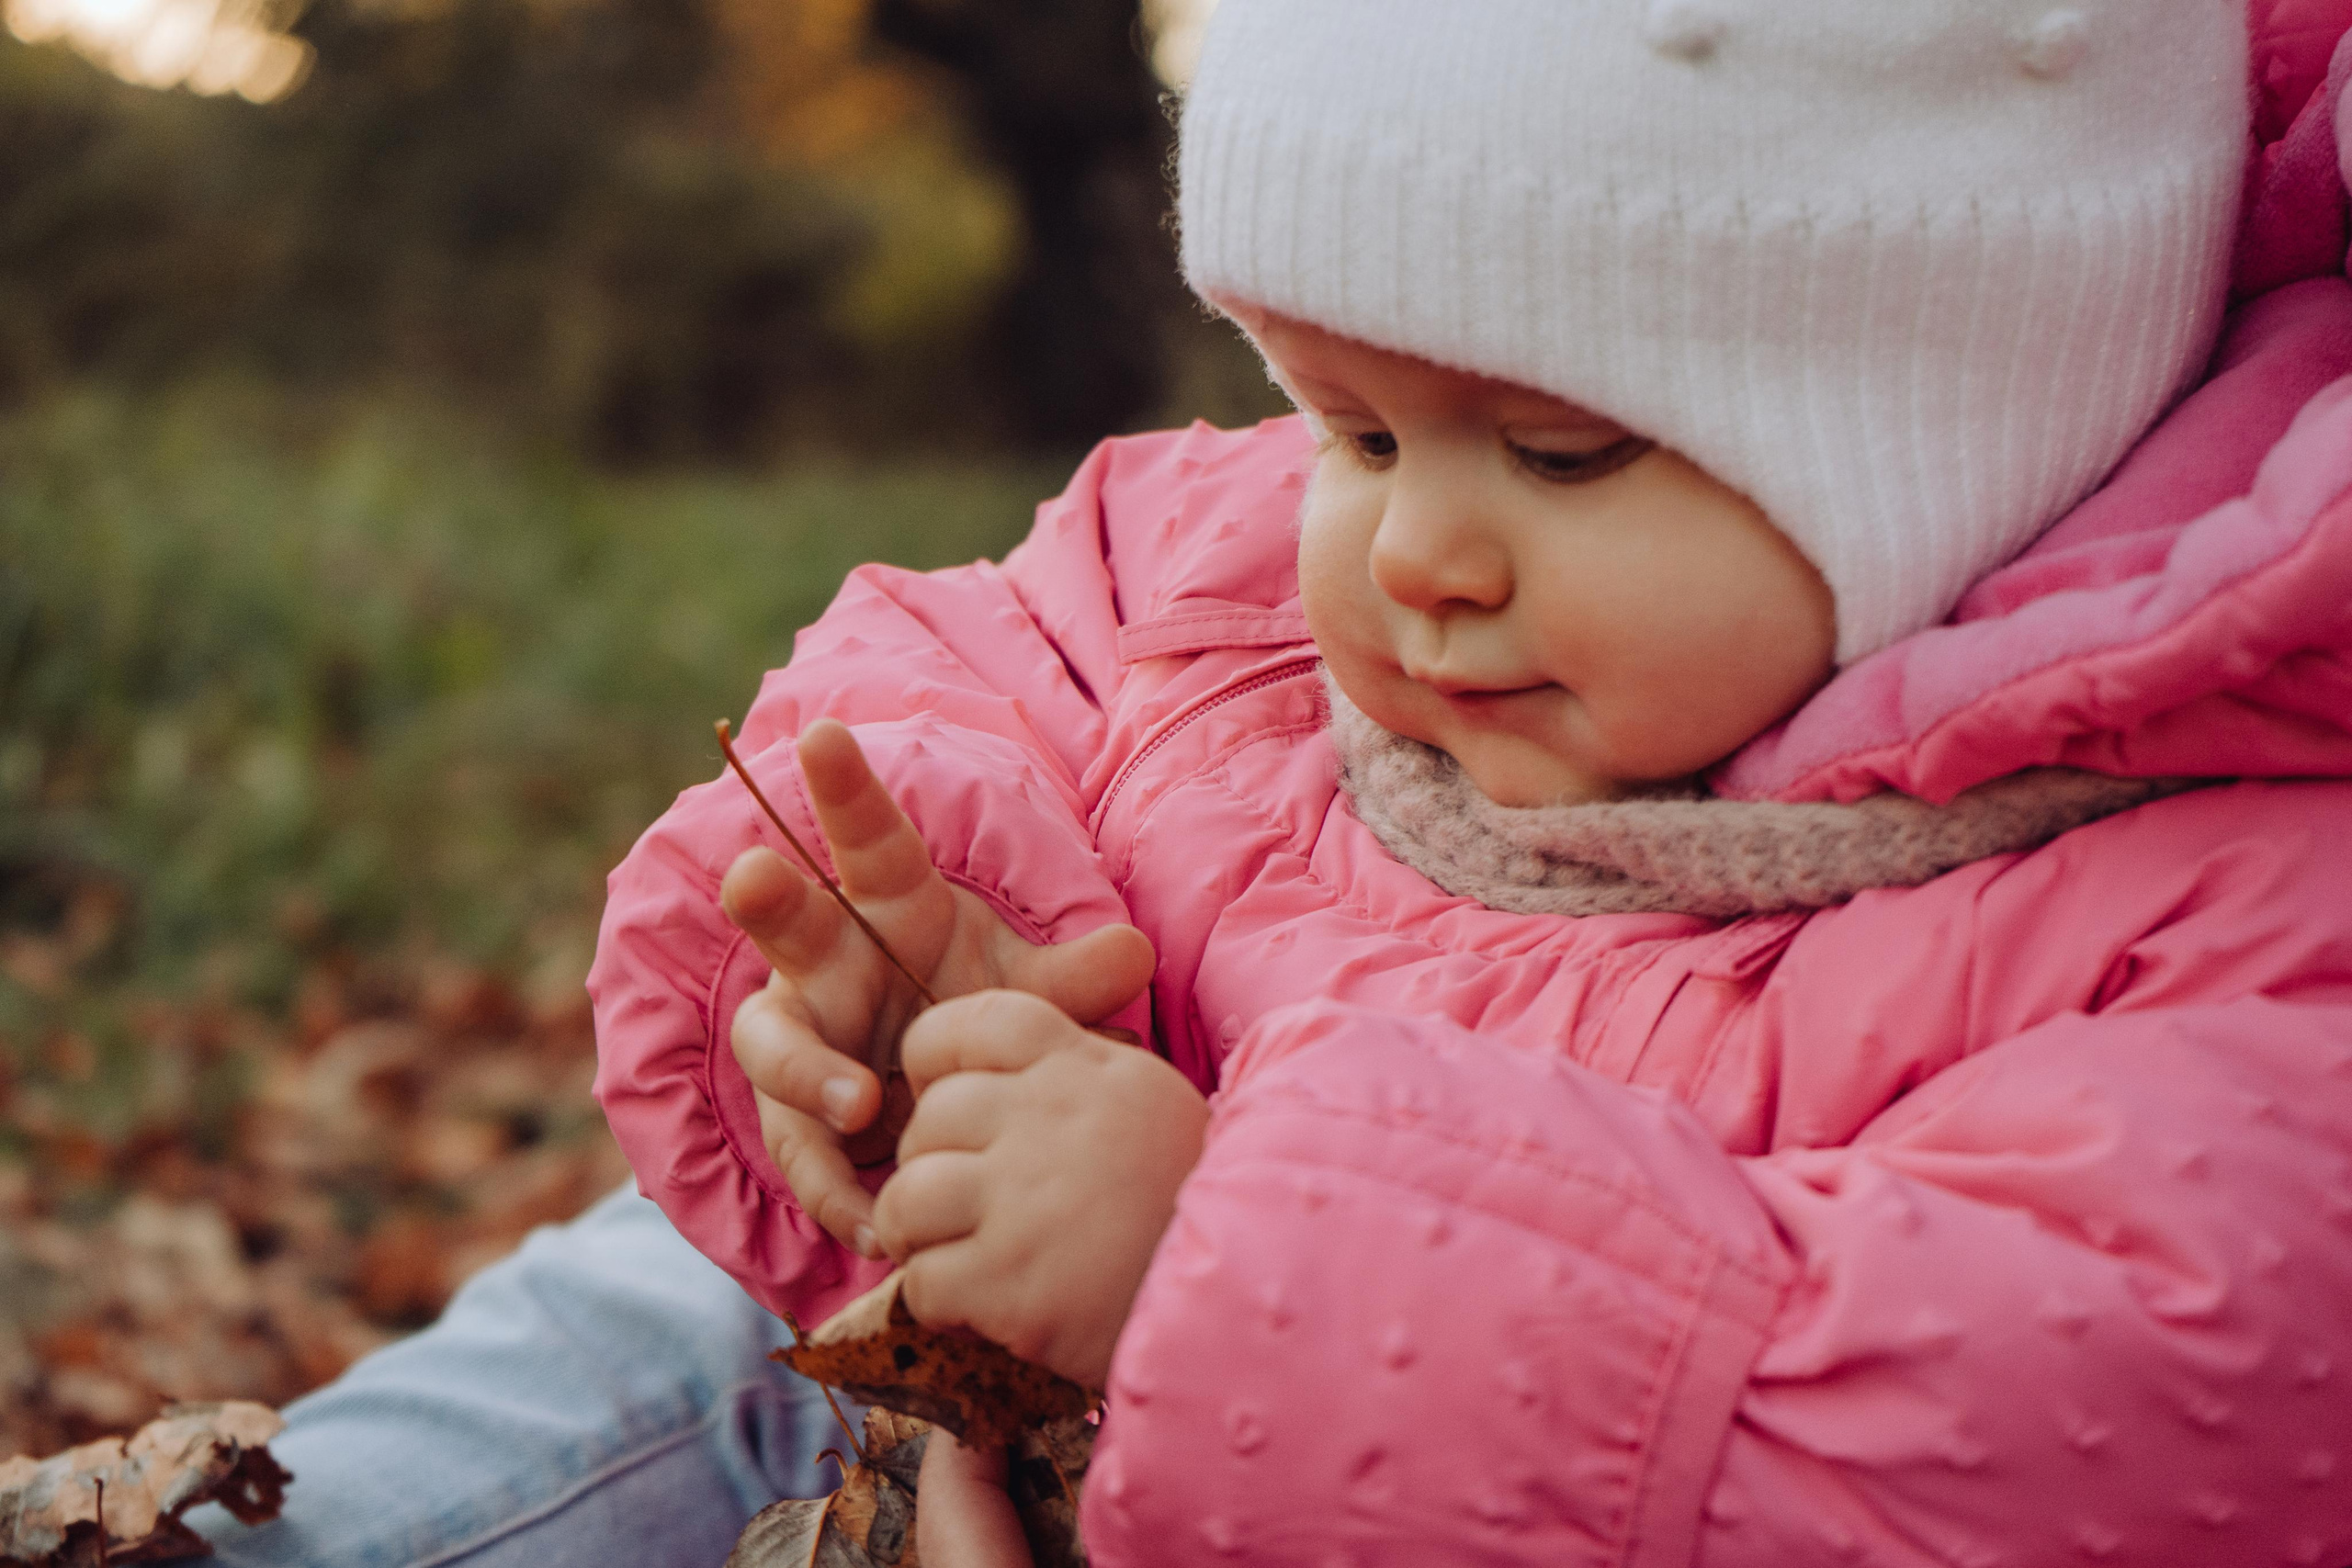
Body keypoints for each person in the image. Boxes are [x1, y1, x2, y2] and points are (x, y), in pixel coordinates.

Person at [202, 0, 2352, 1562]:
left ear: (1970, 436)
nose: (1414, 546)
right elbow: (998, 657)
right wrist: (915, 985)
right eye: (1350, 423)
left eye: (1564, 447)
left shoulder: (2231, 904)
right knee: (656, 1311)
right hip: (955, 1442)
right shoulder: (1238, 566)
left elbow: (2077, 1432)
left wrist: (1204, 1264)